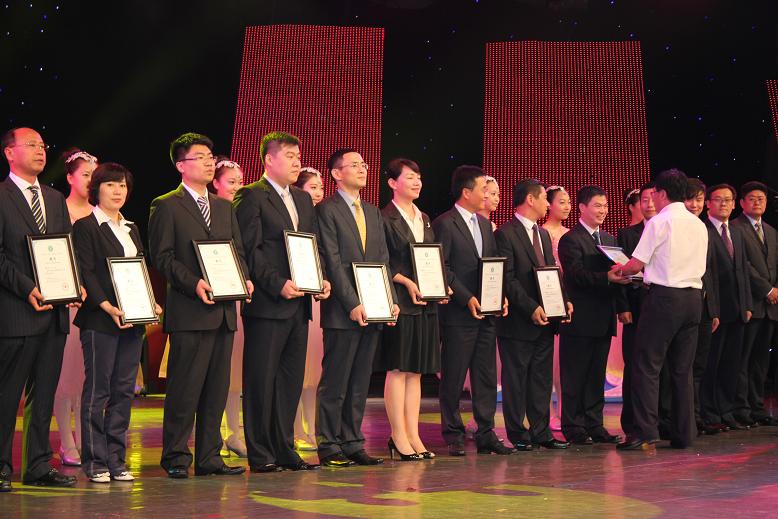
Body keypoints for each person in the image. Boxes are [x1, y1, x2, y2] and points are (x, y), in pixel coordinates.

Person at [148, 132, 251, 479]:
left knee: (216, 390)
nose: (209, 162)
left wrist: (244, 278)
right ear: (181, 165)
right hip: (190, 311)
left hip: (223, 312)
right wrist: (194, 283)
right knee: (185, 389)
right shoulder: (166, 205)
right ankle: (176, 456)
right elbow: (162, 257)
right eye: (200, 157)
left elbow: (236, 250)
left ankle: (209, 457)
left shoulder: (223, 206)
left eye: (211, 157)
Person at [234, 132, 330, 473]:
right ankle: (260, 453)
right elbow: (250, 249)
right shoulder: (251, 196)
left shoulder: (302, 199)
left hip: (299, 304)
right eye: (289, 155)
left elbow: (311, 245)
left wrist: (320, 278)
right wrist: (277, 284)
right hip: (268, 304)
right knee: (261, 379)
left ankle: (285, 448)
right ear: (268, 159)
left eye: (298, 156)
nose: (296, 162)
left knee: (290, 380)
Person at [0, 127, 83, 490]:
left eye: (42, 145)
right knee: (7, 395)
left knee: (44, 393)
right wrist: (27, 288)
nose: (40, 150)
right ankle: (1, 465)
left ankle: (36, 465)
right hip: (16, 312)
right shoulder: (2, 196)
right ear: (9, 153)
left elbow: (66, 248)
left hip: (54, 314)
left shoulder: (53, 198)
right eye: (30, 145)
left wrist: (75, 283)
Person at [74, 162, 162, 482]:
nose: (117, 191)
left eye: (122, 185)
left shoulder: (131, 227)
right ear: (96, 189)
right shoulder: (86, 226)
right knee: (98, 391)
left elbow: (139, 268)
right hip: (100, 320)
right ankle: (95, 461)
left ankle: (116, 459)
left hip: (132, 320)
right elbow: (86, 271)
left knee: (123, 391)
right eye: (110, 184)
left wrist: (150, 300)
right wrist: (106, 305)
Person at [315, 148, 399, 467]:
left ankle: (352, 441)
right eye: (354, 165)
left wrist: (389, 300)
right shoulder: (327, 210)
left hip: (373, 309)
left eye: (364, 164)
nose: (363, 169)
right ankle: (329, 444)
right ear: (336, 174)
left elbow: (383, 261)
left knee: (360, 381)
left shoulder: (373, 212)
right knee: (336, 381)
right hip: (342, 311)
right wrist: (352, 302)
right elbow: (332, 261)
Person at [614, 169, 707, 450]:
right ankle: (684, 433)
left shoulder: (659, 222)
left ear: (663, 193)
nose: (652, 198)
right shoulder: (698, 224)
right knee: (682, 369)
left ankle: (645, 431)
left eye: (654, 193)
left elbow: (636, 264)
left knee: (646, 365)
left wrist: (620, 270)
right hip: (694, 299)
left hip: (665, 298)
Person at [432, 165, 514, 457]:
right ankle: (453, 433)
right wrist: (466, 298)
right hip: (458, 313)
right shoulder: (445, 223)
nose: (487, 195)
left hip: (487, 313)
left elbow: (493, 265)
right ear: (466, 192)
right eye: (483, 189)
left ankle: (486, 432)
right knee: (454, 376)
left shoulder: (484, 225)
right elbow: (442, 267)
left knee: (485, 375)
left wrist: (500, 296)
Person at [495, 179, 572, 451]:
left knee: (541, 379)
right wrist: (531, 308)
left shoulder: (542, 234)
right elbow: (508, 279)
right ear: (530, 199)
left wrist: (563, 301)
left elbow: (551, 273)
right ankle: (517, 432)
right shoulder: (505, 234)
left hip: (546, 321)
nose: (547, 205)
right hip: (518, 321)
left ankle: (541, 431)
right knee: (516, 379)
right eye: (544, 199)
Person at [380, 158, 443, 461]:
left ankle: (413, 434)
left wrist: (441, 286)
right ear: (393, 183)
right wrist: (406, 282)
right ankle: (397, 435)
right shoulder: (384, 217)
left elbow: (431, 259)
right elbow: (382, 261)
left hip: (425, 303)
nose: (417, 182)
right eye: (410, 177)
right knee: (398, 368)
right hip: (401, 302)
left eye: (419, 177)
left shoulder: (424, 218)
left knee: (416, 371)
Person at [557, 185, 629, 445]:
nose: (603, 211)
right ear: (582, 208)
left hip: (603, 317)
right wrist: (606, 277)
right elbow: (575, 275)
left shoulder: (608, 239)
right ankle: (573, 426)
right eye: (597, 206)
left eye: (606, 206)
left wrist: (622, 305)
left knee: (596, 375)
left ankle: (594, 424)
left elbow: (618, 276)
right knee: (575, 375)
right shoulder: (571, 239)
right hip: (579, 319)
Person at [54, 148, 97, 467]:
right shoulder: (60, 211)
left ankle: (85, 437)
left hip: (96, 302)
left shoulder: (100, 212)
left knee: (88, 375)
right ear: (70, 177)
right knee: (64, 376)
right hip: (69, 301)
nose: (91, 181)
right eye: (85, 174)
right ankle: (66, 440)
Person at [700, 184, 753, 431]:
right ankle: (709, 412)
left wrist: (747, 304)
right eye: (718, 199)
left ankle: (726, 410)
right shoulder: (703, 231)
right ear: (708, 203)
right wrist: (713, 310)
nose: (724, 204)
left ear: (734, 204)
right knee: (712, 364)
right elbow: (706, 274)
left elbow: (742, 271)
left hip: (737, 309)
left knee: (732, 364)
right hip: (715, 311)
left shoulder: (737, 232)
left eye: (728, 200)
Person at [208, 156, 247, 457]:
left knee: (233, 373)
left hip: (236, 299)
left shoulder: (239, 211)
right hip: (209, 299)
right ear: (216, 183)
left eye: (240, 182)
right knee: (212, 372)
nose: (237, 187)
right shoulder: (209, 212)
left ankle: (235, 431)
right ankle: (213, 434)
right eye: (231, 182)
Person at [731, 181, 778, 426]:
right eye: (752, 198)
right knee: (743, 359)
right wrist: (767, 289)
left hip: (771, 307)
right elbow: (742, 266)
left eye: (762, 198)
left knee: (761, 361)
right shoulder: (735, 228)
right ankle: (741, 408)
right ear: (741, 202)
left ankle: (758, 407)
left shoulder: (771, 231)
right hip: (749, 303)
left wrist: (775, 290)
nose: (757, 202)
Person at [616, 182, 655, 437]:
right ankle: (631, 423)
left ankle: (658, 419)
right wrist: (623, 306)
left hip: (663, 306)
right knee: (634, 365)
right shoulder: (627, 234)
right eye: (644, 200)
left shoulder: (668, 228)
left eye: (652, 198)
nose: (649, 204)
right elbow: (620, 269)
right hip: (636, 307)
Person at [683, 178, 722, 435]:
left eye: (699, 199)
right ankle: (686, 418)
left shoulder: (704, 229)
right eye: (690, 199)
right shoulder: (677, 228)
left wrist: (714, 309)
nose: (695, 204)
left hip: (705, 308)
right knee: (683, 367)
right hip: (684, 307)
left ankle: (696, 416)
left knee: (699, 366)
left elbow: (710, 273)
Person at [292, 167, 325, 451]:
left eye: (320, 188)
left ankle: (311, 428)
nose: (318, 193)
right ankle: (293, 429)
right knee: (296, 371)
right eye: (312, 187)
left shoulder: (323, 218)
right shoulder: (296, 219)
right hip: (297, 295)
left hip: (317, 299)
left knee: (314, 374)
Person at [542, 185, 571, 432]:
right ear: (548, 204)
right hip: (548, 297)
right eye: (561, 202)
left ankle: (563, 409)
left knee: (564, 362)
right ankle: (548, 412)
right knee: (548, 363)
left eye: (568, 202)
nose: (567, 206)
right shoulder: (542, 233)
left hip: (568, 297)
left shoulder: (570, 234)